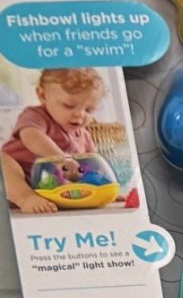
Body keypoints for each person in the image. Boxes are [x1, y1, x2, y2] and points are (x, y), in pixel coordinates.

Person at [3, 67, 106, 216]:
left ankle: (42, 199)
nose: (80, 114)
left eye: (89, 110)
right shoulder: (36, 115)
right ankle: (25, 198)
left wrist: (103, 188)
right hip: (16, 181)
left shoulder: (83, 135)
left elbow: (95, 164)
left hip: (51, 188)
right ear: (43, 95)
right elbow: (31, 136)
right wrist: (61, 158)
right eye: (69, 106)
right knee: (2, 161)